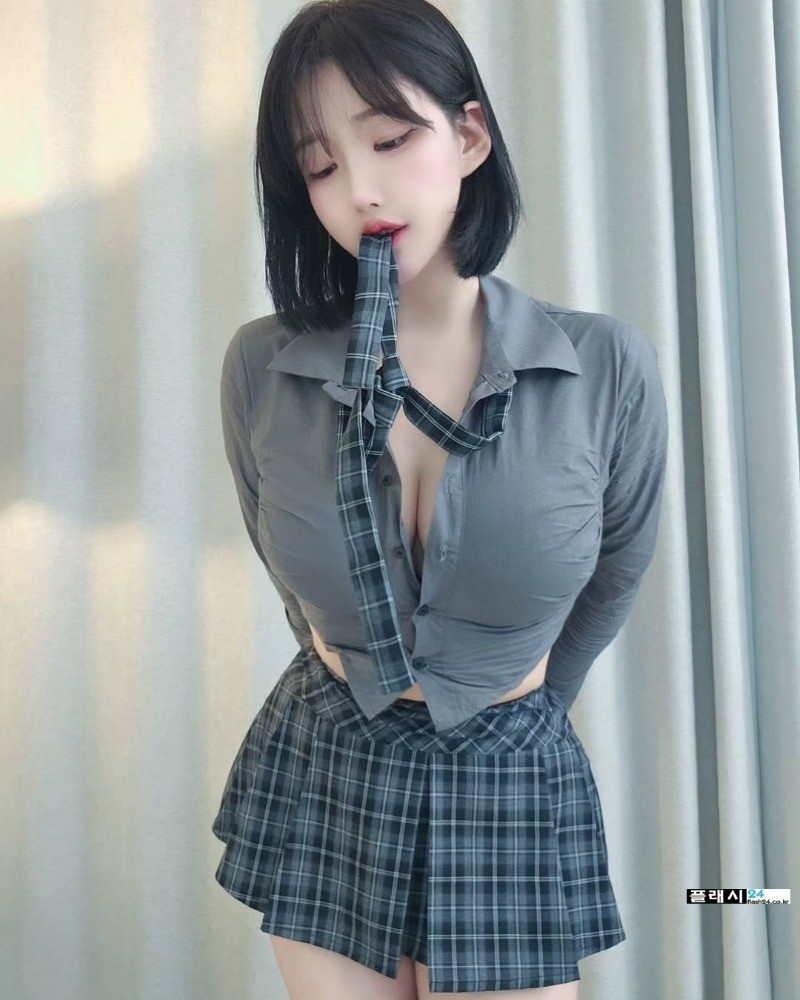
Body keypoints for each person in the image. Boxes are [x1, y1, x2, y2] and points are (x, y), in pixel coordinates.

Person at [211, 1, 669, 998]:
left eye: (388, 139)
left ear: (467, 136)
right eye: (320, 166)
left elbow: (616, 570)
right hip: (329, 754)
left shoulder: (603, 365)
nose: (359, 190)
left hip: (508, 760)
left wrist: (525, 705)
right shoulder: (262, 365)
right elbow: (283, 564)